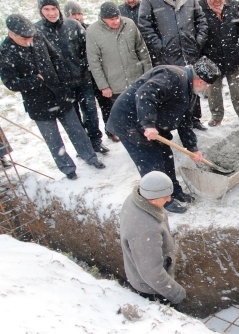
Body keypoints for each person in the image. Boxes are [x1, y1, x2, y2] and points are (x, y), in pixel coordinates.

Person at [106, 58, 220, 214]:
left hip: (154, 126)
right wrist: (148, 124)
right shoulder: (172, 76)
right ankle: (162, 199)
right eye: (207, 86)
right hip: (129, 123)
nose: (206, 89)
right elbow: (145, 94)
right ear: (200, 81)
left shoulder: (189, 91)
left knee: (166, 156)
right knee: (152, 162)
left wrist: (192, 147)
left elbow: (185, 120)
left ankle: (174, 190)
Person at [0, 14, 105, 180]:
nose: (29, 40)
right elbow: (11, 83)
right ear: (11, 34)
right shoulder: (5, 52)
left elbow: (55, 57)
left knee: (76, 130)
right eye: (24, 38)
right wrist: (36, 79)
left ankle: (90, 156)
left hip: (60, 94)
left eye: (30, 36)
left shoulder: (38, 36)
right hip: (37, 103)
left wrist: (61, 79)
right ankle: (67, 168)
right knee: (53, 139)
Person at [35, 0, 110, 154]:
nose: (51, 13)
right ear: (41, 11)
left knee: (90, 112)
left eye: (53, 8)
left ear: (58, 9)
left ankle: (96, 141)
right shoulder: (37, 30)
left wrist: (82, 66)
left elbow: (87, 49)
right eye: (46, 9)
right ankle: (84, 147)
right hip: (61, 85)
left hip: (83, 79)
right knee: (73, 119)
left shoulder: (73, 25)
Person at [139, 0, 209, 131]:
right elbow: (145, 25)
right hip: (168, 54)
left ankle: (195, 118)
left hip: (189, 50)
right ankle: (174, 122)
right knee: (173, 89)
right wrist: (160, 46)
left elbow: (201, 20)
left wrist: (198, 41)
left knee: (193, 84)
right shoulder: (150, 2)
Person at [120, 171, 186, 305]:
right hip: (152, 289)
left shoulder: (138, 198)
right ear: (152, 198)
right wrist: (177, 294)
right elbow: (152, 274)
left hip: (144, 275)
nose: (169, 200)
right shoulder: (146, 230)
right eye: (165, 196)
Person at [86, 3, 152, 128]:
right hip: (115, 85)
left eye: (117, 17)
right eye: (111, 19)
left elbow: (142, 51)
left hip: (137, 79)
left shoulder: (129, 24)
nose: (116, 21)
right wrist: (104, 86)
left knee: (144, 113)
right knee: (127, 118)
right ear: (103, 18)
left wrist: (148, 74)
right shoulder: (93, 32)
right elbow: (94, 62)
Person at [200, 0, 239, 127]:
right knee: (213, 88)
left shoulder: (232, 5)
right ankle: (216, 115)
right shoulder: (200, 8)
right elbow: (197, 31)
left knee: (235, 85)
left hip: (231, 53)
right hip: (210, 55)